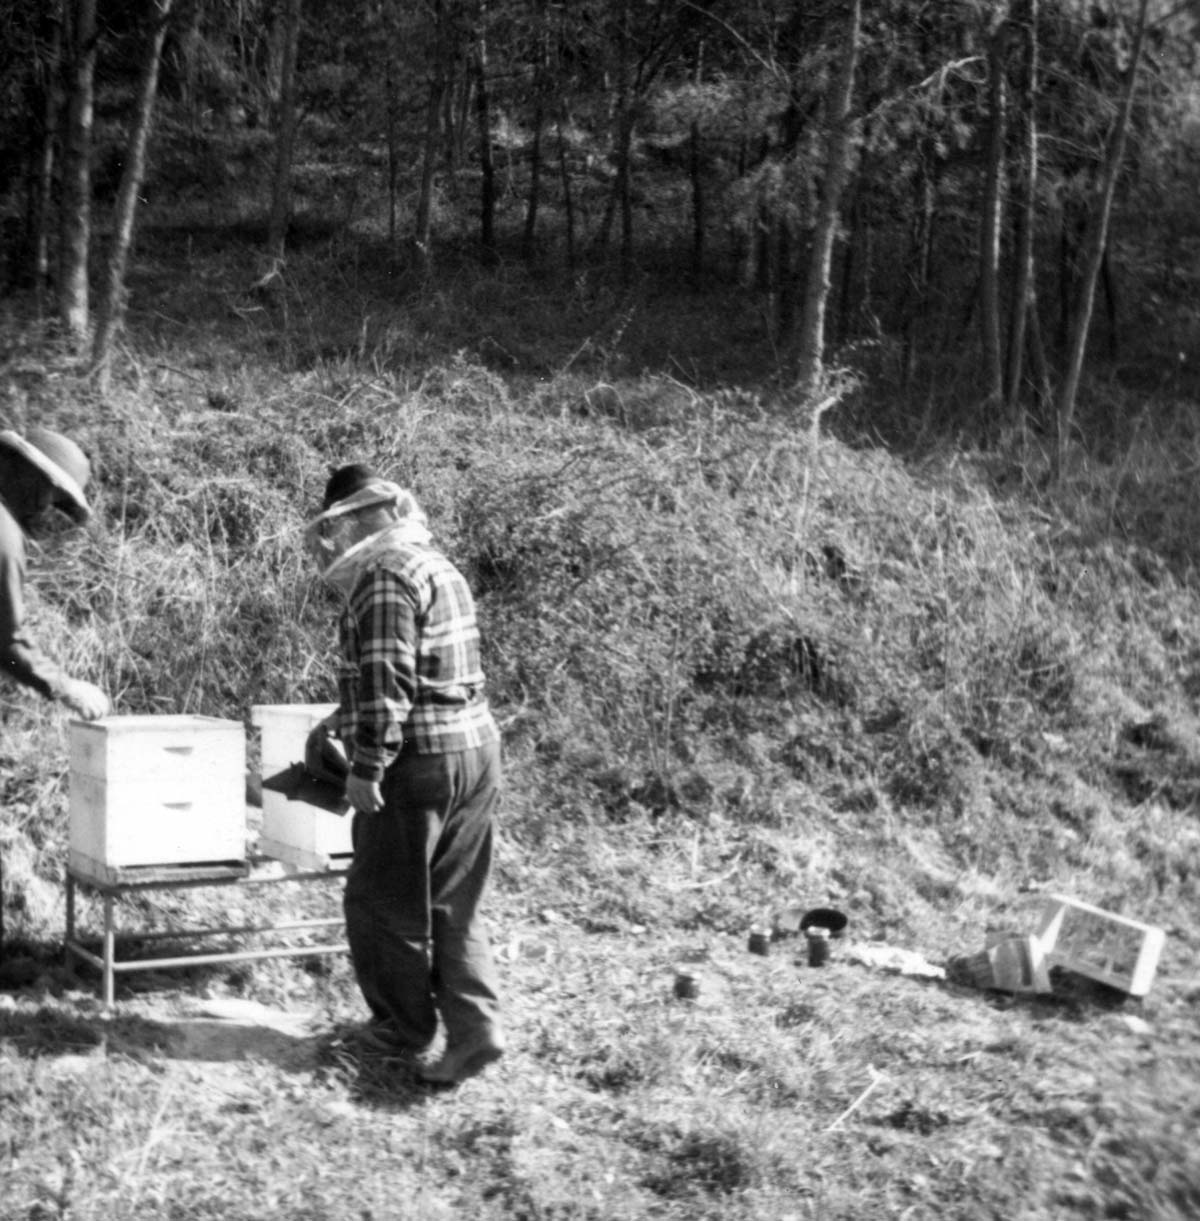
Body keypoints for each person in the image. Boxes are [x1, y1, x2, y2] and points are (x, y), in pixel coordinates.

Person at [305, 463, 504, 1086]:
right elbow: (431, 670)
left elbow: (390, 680)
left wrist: (367, 767)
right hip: (475, 750)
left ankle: (400, 1030)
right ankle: (475, 1031)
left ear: (375, 516)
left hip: (420, 763)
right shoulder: (438, 566)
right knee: (454, 901)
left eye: (352, 520)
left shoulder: (385, 575)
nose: (345, 535)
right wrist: (342, 717)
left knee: (381, 899)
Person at [0, 427, 110, 719]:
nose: (44, 502)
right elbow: (6, 640)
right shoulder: (4, 533)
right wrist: (64, 687)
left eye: (55, 495)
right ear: (13, 462)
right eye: (44, 484)